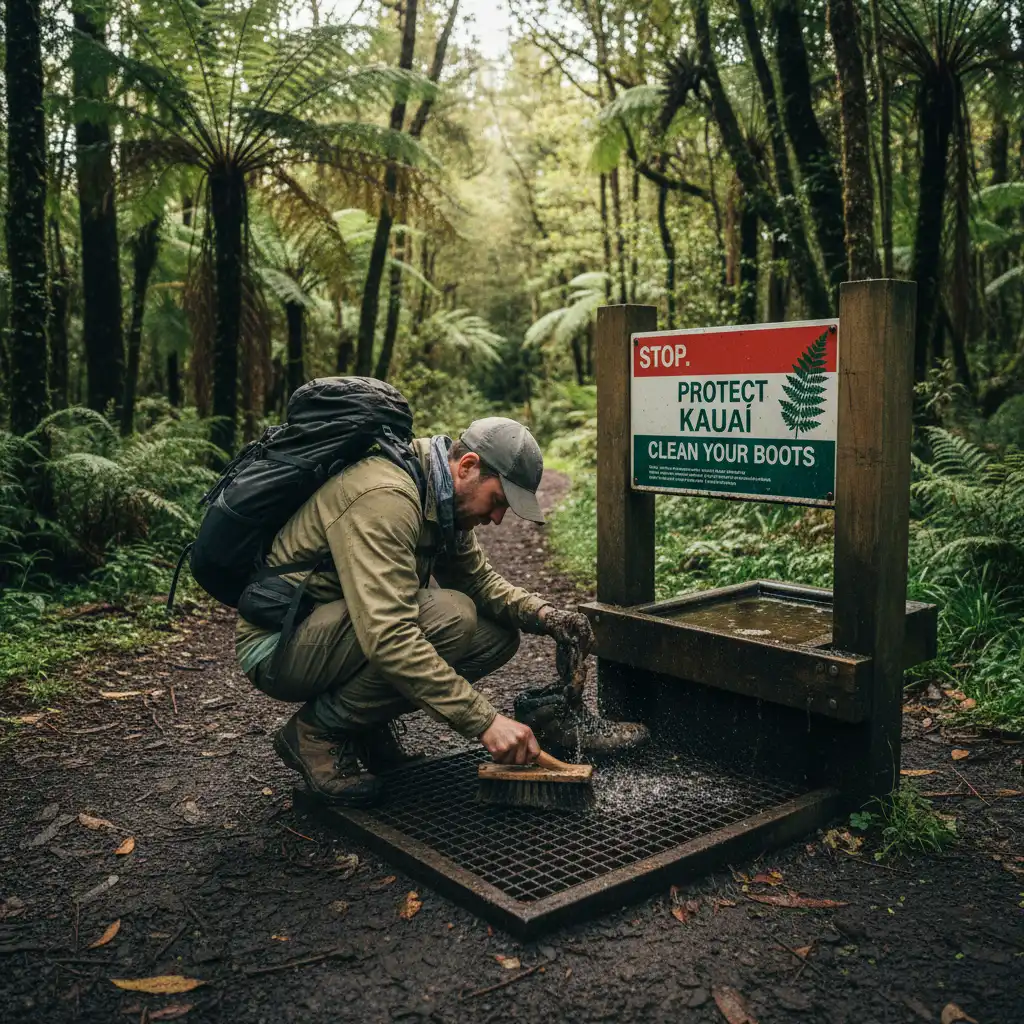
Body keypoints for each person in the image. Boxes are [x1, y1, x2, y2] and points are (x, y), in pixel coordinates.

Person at [235, 417, 647, 806]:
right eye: (498, 501)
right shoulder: (388, 498)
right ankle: (315, 733)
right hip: (279, 645)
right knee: (452, 616)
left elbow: (480, 583)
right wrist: (486, 721)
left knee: (496, 635)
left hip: (336, 633)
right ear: (467, 466)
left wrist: (546, 616)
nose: (499, 518)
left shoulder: (443, 498)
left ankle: (362, 726)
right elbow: (390, 636)